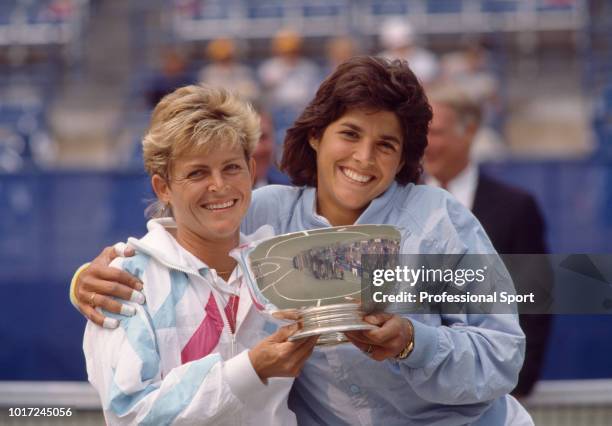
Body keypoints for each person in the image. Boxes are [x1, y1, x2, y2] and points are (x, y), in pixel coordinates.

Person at [73, 56, 531, 425]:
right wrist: (93, 276)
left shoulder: (440, 220)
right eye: (349, 134)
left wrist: (414, 341)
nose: (363, 158)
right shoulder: (268, 213)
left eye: (386, 145)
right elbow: (188, 226)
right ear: (316, 135)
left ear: (403, 157)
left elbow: (503, 355)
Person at [83, 85, 317, 425]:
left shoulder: (283, 265)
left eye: (231, 168)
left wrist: (410, 341)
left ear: (252, 171)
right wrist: (249, 369)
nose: (219, 186)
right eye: (197, 172)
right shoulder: (126, 281)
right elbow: (129, 414)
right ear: (163, 187)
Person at [424, 83, 553, 398]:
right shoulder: (395, 202)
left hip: (492, 393)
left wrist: (515, 384)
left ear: (469, 131)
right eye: (419, 131)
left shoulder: (515, 207)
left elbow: (534, 300)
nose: (425, 144)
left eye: (436, 132)